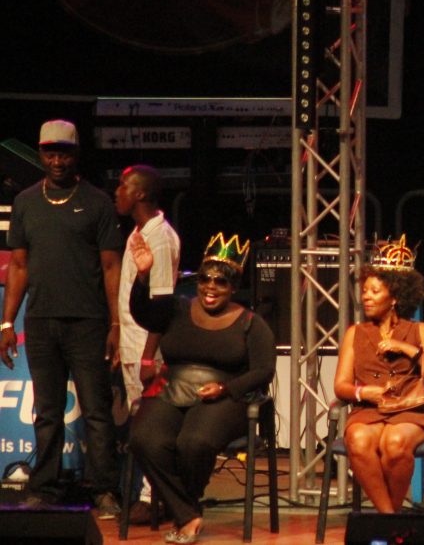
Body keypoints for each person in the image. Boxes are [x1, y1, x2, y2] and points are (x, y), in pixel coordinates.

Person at [0, 119, 123, 518]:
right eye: (50, 153)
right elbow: (19, 265)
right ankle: (45, 487)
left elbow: (111, 266)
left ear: (76, 154)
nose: (57, 161)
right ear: (40, 153)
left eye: (64, 153)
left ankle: (105, 489)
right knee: (47, 411)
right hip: (40, 322)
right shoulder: (26, 202)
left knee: (97, 409)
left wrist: (116, 323)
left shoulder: (97, 202)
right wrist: (6, 322)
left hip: (88, 322)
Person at [127, 232, 274, 544]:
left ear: (233, 287)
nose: (210, 287)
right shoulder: (177, 308)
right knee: (145, 438)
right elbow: (143, 314)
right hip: (173, 386)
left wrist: (225, 387)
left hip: (224, 395)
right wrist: (142, 277)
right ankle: (188, 512)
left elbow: (264, 370)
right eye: (205, 279)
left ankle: (184, 511)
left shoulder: (250, 323)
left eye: (221, 282)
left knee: (193, 443)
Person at [333, 235, 424, 513]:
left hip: (412, 409)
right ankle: (390, 519)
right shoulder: (355, 333)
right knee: (358, 440)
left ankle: (389, 520)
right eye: (364, 291)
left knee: (395, 442)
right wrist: (364, 392)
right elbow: (341, 386)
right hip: (370, 409)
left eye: (374, 291)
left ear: (395, 297)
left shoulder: (419, 331)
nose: (366, 296)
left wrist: (408, 349)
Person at [113, 164, 181, 524]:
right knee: (139, 423)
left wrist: (147, 355)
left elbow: (162, 304)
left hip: (147, 347)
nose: (117, 192)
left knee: (150, 426)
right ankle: (151, 496)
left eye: (123, 186)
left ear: (140, 193)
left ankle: (152, 498)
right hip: (132, 342)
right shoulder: (140, 232)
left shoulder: (160, 238)